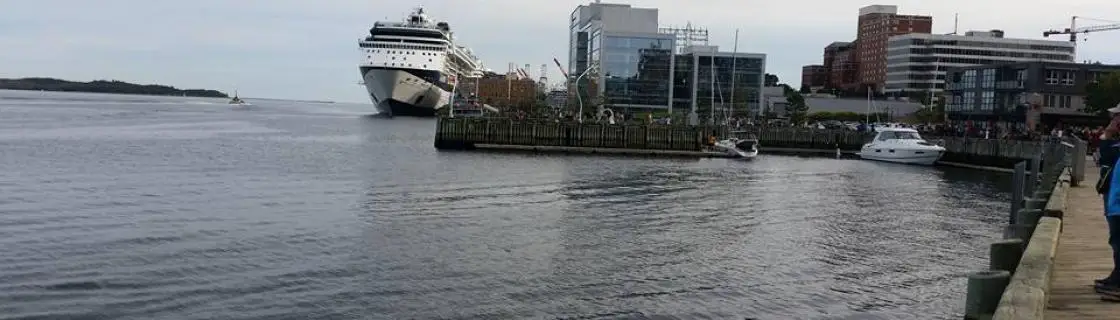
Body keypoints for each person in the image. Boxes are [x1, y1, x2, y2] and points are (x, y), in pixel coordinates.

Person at [1095, 103, 1120, 299]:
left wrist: (1107, 135)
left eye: (1116, 117)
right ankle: (1116, 278)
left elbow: (1106, 153)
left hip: (1117, 202)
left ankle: (1118, 284)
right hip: (1114, 200)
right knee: (1116, 240)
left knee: (1119, 241)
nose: (1112, 121)